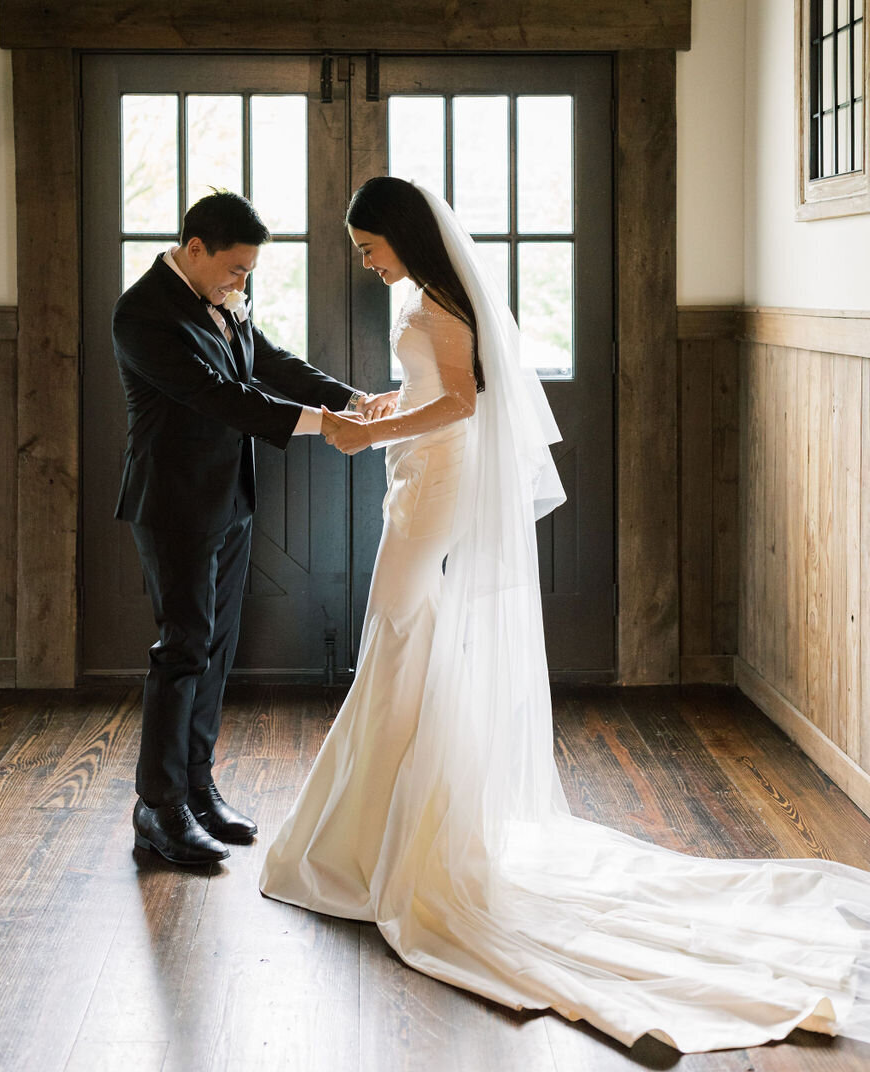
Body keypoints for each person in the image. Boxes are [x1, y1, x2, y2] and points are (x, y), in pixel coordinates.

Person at [260, 176, 870, 1053]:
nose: (363, 259)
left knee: (396, 622)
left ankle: (392, 829)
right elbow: (435, 391)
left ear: (401, 236)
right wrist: (383, 406)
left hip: (434, 486)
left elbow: (464, 405)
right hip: (420, 477)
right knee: (401, 631)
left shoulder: (439, 306)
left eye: (368, 245)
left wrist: (372, 435)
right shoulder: (426, 298)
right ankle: (387, 812)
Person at [112, 190, 362, 866]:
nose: (241, 282)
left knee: (218, 649)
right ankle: (156, 809)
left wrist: (352, 400)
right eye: (235, 269)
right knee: (183, 648)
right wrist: (323, 426)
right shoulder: (141, 314)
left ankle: (197, 785)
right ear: (195, 248)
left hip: (229, 500)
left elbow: (270, 363)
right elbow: (220, 397)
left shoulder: (219, 299)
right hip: (173, 506)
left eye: (248, 272)